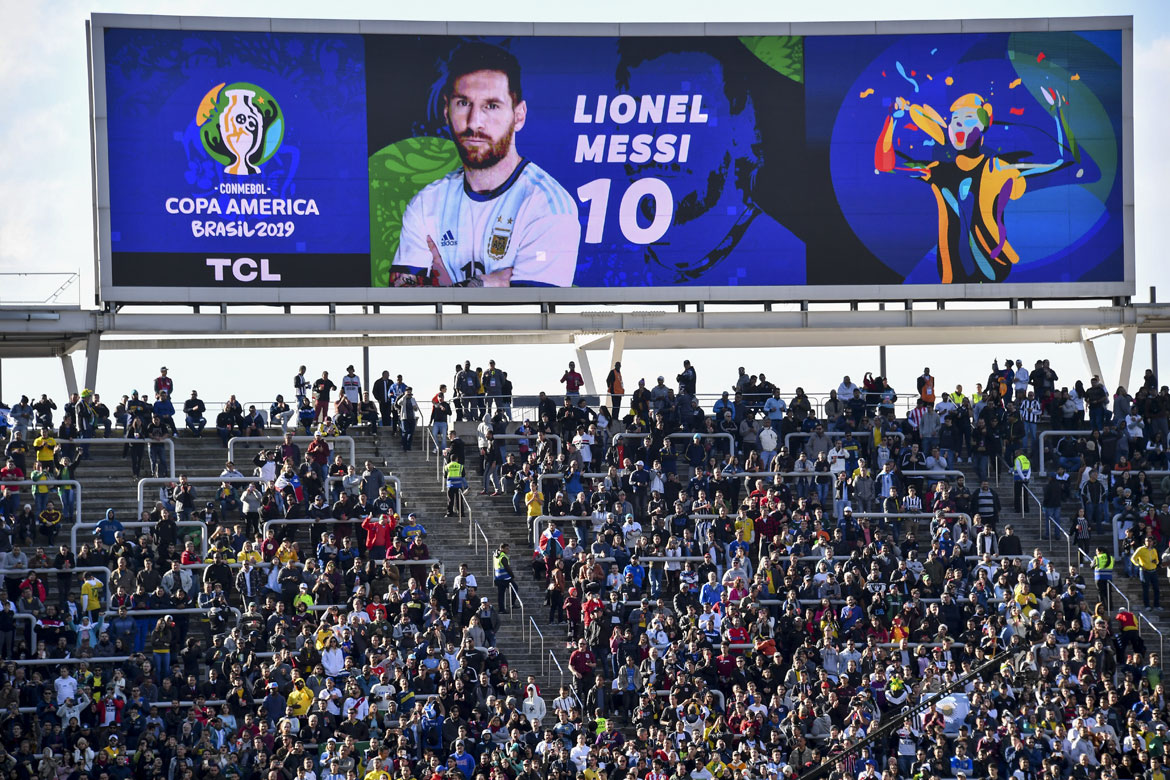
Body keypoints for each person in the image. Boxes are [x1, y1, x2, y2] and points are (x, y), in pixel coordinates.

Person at [391, 42, 580, 287]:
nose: (474, 122)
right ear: (447, 111)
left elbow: (527, 320)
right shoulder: (426, 203)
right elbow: (404, 305)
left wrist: (444, 291)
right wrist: (488, 283)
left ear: (518, 116)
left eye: (491, 106)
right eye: (463, 103)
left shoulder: (548, 206)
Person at [1131, 536, 1161, 611]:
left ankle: (1156, 605)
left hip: (1153, 571)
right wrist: (1139, 565)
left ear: (1152, 542)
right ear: (1144, 542)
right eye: (1147, 541)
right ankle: (1147, 605)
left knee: (1156, 588)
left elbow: (1157, 560)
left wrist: (1156, 562)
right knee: (1146, 589)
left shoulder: (1154, 550)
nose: (1148, 542)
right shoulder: (1140, 549)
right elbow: (1133, 558)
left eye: (1150, 541)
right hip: (1144, 571)